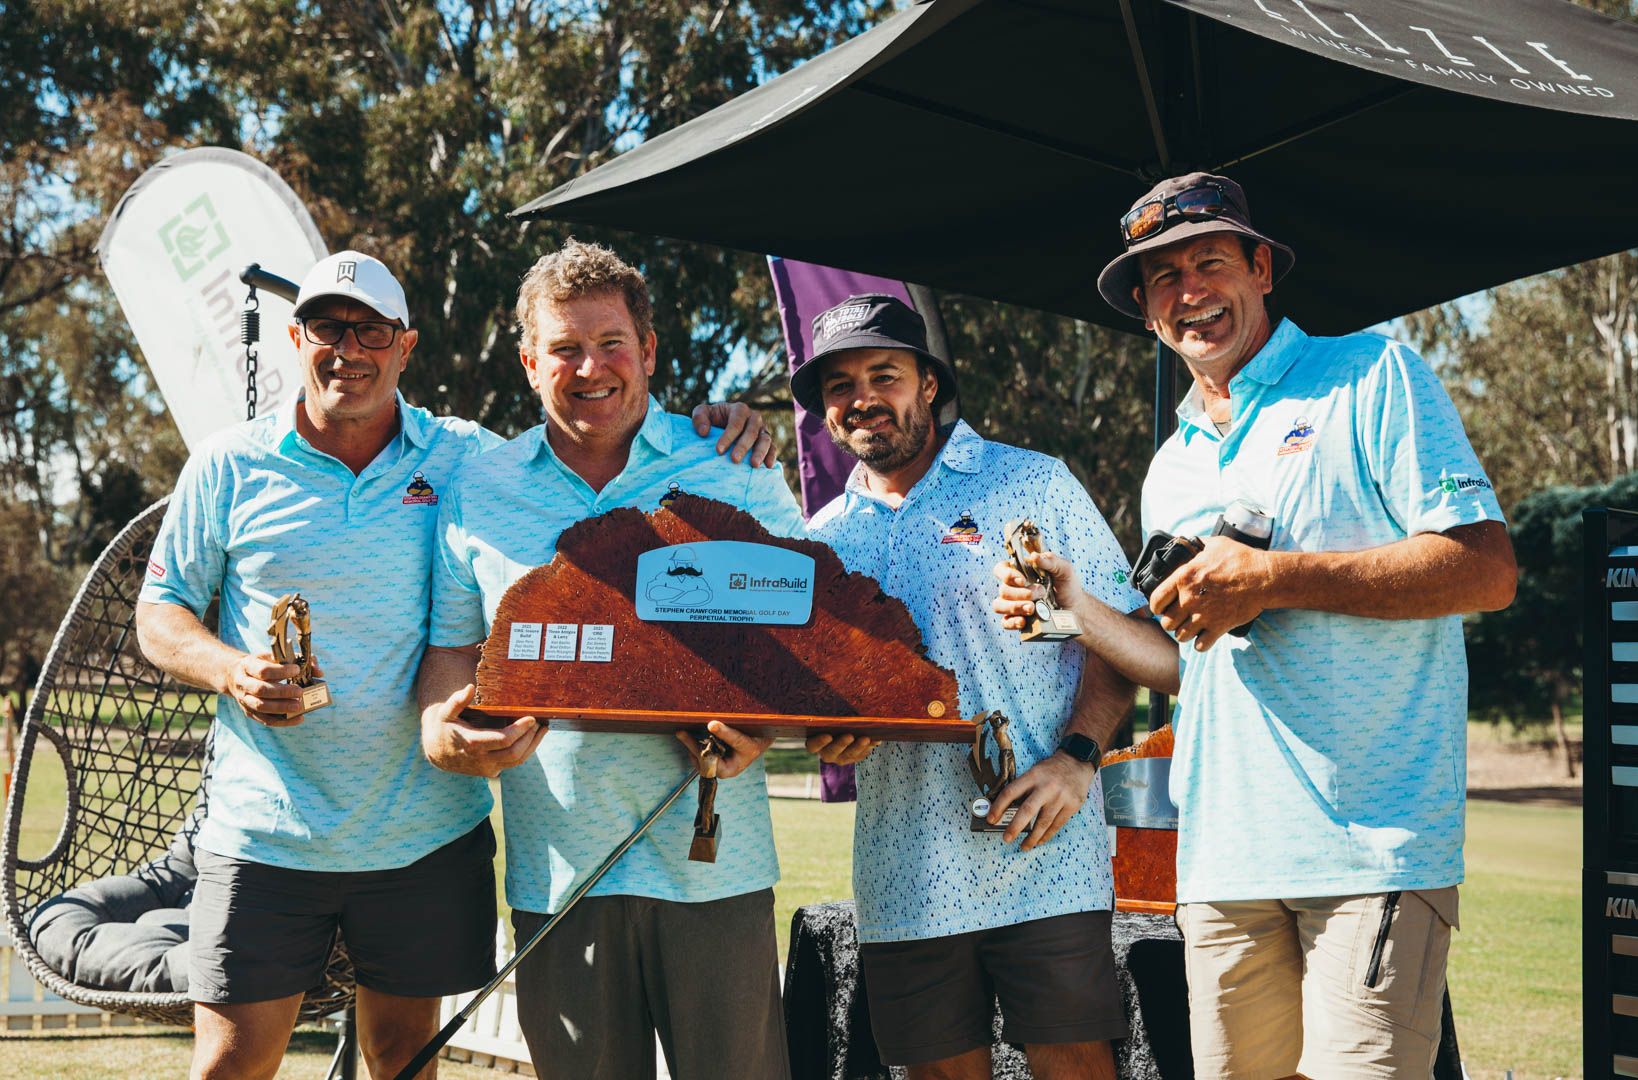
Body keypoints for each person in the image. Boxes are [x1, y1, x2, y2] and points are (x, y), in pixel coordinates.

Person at [135, 249, 775, 1080]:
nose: (350, 348)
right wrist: (237, 673)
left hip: (435, 837)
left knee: (403, 1056)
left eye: (373, 331)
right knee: (228, 1063)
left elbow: (800, 645)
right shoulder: (251, 465)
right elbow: (164, 613)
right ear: (297, 337)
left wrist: (737, 420)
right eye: (331, 327)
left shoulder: (463, 460)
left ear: (406, 347)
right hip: (276, 831)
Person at [996, 172, 1518, 1079]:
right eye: (1163, 279)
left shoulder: (1371, 376)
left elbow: (1485, 568)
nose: (1189, 291)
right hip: (1223, 861)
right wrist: (1078, 610)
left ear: (1263, 267)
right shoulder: (1171, 467)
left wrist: (1274, 579)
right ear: (1148, 313)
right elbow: (1187, 663)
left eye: (1209, 262)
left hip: (1371, 847)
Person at [417, 238, 806, 1080]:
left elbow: (816, 634)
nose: (589, 368)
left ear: (649, 351)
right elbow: (452, 653)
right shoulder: (479, 489)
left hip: (715, 869)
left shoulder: (732, 462)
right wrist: (440, 732)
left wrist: (766, 725)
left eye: (610, 344)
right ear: (529, 363)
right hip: (559, 875)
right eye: (563, 349)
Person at [797, 293, 1139, 1080]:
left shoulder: (1032, 482)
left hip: (1043, 854)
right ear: (824, 409)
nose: (863, 399)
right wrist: (827, 735)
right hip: (903, 870)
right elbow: (815, 699)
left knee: (1075, 1066)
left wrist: (1078, 757)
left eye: (885, 374)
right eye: (840, 386)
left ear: (927, 383)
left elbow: (1126, 635)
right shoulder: (819, 540)